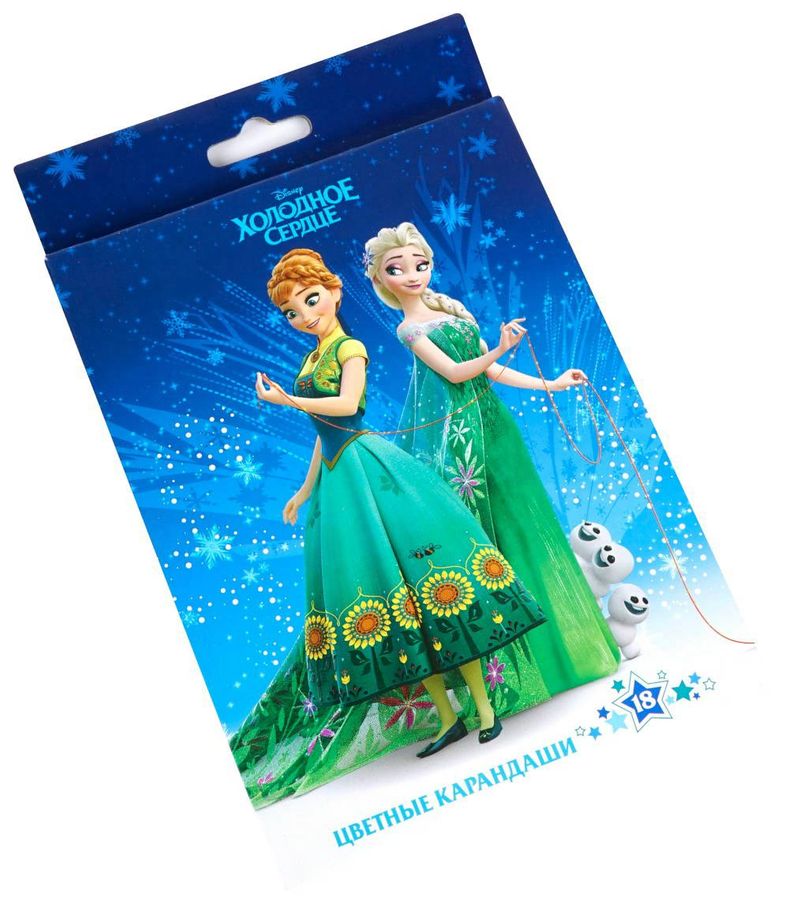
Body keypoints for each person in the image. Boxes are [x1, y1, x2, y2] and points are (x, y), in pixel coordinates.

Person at [235, 247, 547, 807]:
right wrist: (305, 489)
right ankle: (447, 717)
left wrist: (286, 400)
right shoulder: (311, 359)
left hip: (370, 470)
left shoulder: (349, 348)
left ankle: (484, 711)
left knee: (434, 590)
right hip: (338, 483)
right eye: (291, 311)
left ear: (334, 293)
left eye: (310, 300)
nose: (304, 315)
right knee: (390, 600)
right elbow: (320, 428)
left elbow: (347, 404)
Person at [363, 222, 620, 699]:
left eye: (421, 264)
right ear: (381, 279)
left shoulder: (449, 310)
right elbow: (456, 373)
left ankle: (563, 652)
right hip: (464, 442)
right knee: (492, 535)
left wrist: (552, 384)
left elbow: (491, 371)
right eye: (397, 269)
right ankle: (520, 671)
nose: (413, 275)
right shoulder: (409, 328)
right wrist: (500, 346)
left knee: (526, 525)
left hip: (497, 429)